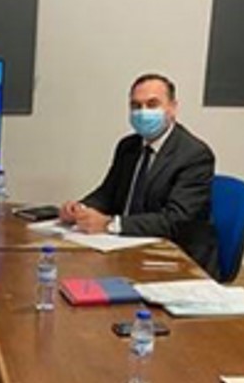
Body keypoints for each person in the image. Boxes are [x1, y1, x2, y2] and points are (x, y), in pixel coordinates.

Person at [59, 73, 219, 277]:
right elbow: (108, 193)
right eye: (136, 106)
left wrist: (110, 224)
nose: (143, 112)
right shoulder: (128, 146)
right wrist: (80, 209)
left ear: (172, 108)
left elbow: (176, 220)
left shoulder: (194, 154)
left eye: (152, 104)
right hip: (126, 246)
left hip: (176, 259)